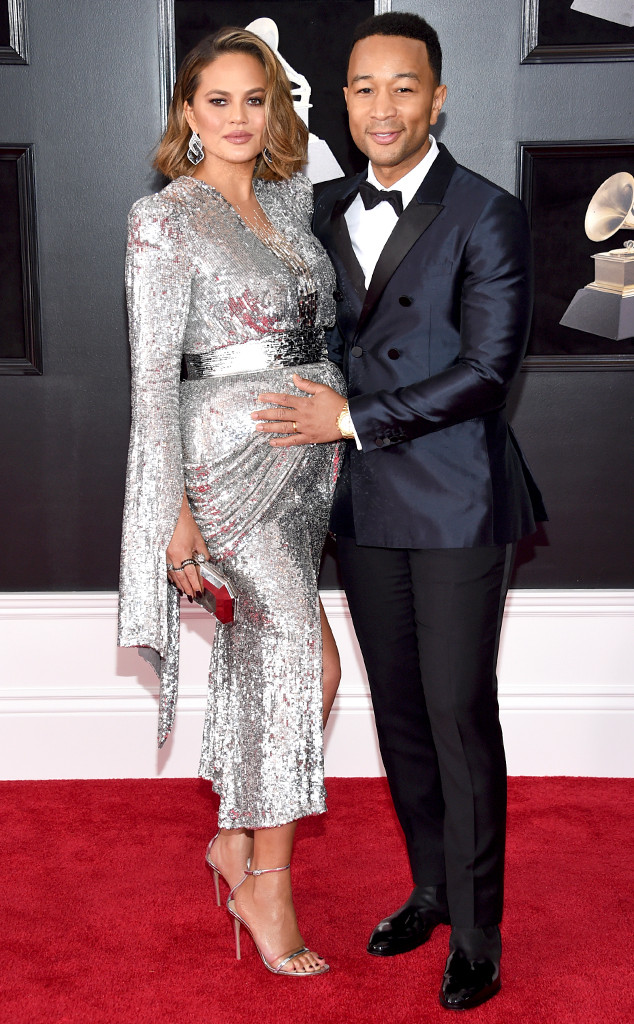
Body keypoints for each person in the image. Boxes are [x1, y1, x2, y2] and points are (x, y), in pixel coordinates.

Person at [251, 11, 546, 1009]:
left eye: (405, 87)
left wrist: (350, 417)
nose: (384, 107)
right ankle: (430, 888)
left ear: (438, 98)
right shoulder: (318, 207)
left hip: (457, 497)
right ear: (343, 101)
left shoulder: (488, 211)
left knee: (458, 710)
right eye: (365, 88)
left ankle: (479, 932)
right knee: (402, 710)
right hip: (364, 498)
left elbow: (487, 371)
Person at [118, 27, 347, 977]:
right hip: (225, 469)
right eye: (219, 100)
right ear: (188, 112)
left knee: (280, 666)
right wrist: (171, 516)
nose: (240, 117)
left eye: (257, 99)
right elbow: (151, 380)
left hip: (308, 465)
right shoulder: (163, 219)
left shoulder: (290, 205)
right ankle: (267, 882)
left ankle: (235, 842)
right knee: (307, 663)